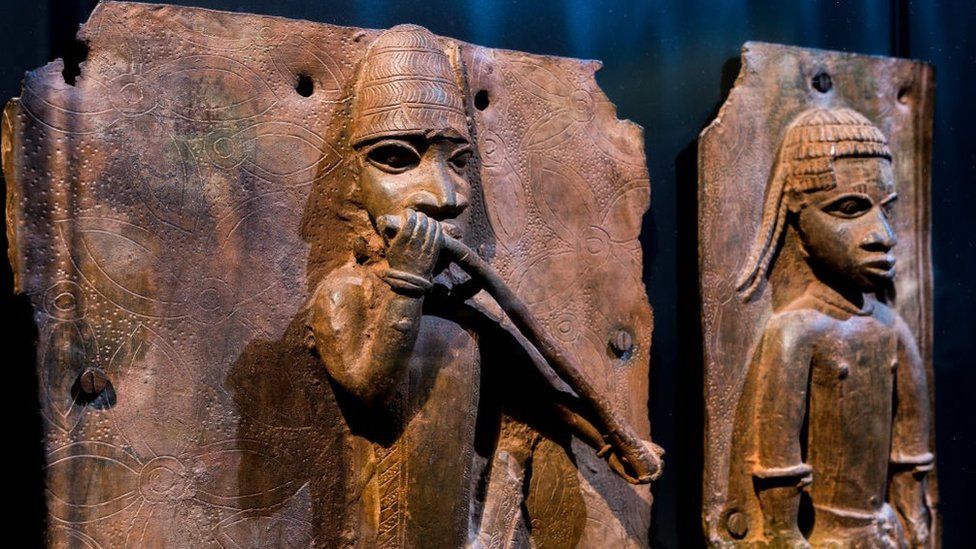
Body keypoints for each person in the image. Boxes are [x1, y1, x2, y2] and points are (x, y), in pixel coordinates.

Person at [305, 24, 660, 548]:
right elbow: (370, 392)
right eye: (397, 159)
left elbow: (542, 393)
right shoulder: (346, 294)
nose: (447, 196)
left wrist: (612, 444)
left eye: (459, 163)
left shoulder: (462, 311)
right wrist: (407, 282)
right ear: (353, 179)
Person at [732, 107, 934, 548]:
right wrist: (785, 534)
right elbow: (779, 456)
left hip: (889, 533)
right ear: (797, 220)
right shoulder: (796, 331)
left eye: (886, 210)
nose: (883, 235)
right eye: (850, 209)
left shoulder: (893, 329)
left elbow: (911, 449)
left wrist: (916, 520)